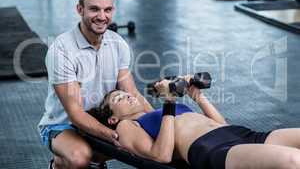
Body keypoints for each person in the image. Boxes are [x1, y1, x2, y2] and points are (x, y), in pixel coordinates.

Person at [37, 0, 153, 169]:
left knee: (146, 145)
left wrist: (157, 120)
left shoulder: (118, 44)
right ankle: (59, 164)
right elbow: (75, 114)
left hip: (102, 118)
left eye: (107, 10)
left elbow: (132, 94)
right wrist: (112, 136)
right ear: (80, 9)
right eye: (94, 9)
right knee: (79, 158)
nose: (101, 16)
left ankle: (96, 160)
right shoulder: (62, 50)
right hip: (63, 125)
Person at [91, 77, 300, 169]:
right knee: (294, 161)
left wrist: (196, 95)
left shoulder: (161, 113)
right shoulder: (126, 126)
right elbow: (160, 155)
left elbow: (221, 124)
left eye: (126, 93)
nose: (127, 96)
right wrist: (169, 100)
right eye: (119, 99)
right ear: (112, 118)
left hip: (239, 134)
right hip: (214, 149)